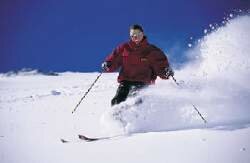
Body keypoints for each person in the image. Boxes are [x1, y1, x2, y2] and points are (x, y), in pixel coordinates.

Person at [102, 24, 174, 106]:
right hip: (126, 81)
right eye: (133, 36)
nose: (136, 37)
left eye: (138, 34)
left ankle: (135, 116)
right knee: (117, 101)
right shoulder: (124, 48)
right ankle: (115, 116)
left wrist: (166, 71)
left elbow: (160, 65)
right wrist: (108, 64)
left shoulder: (152, 50)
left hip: (143, 82)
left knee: (135, 101)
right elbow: (114, 58)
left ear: (142, 34)